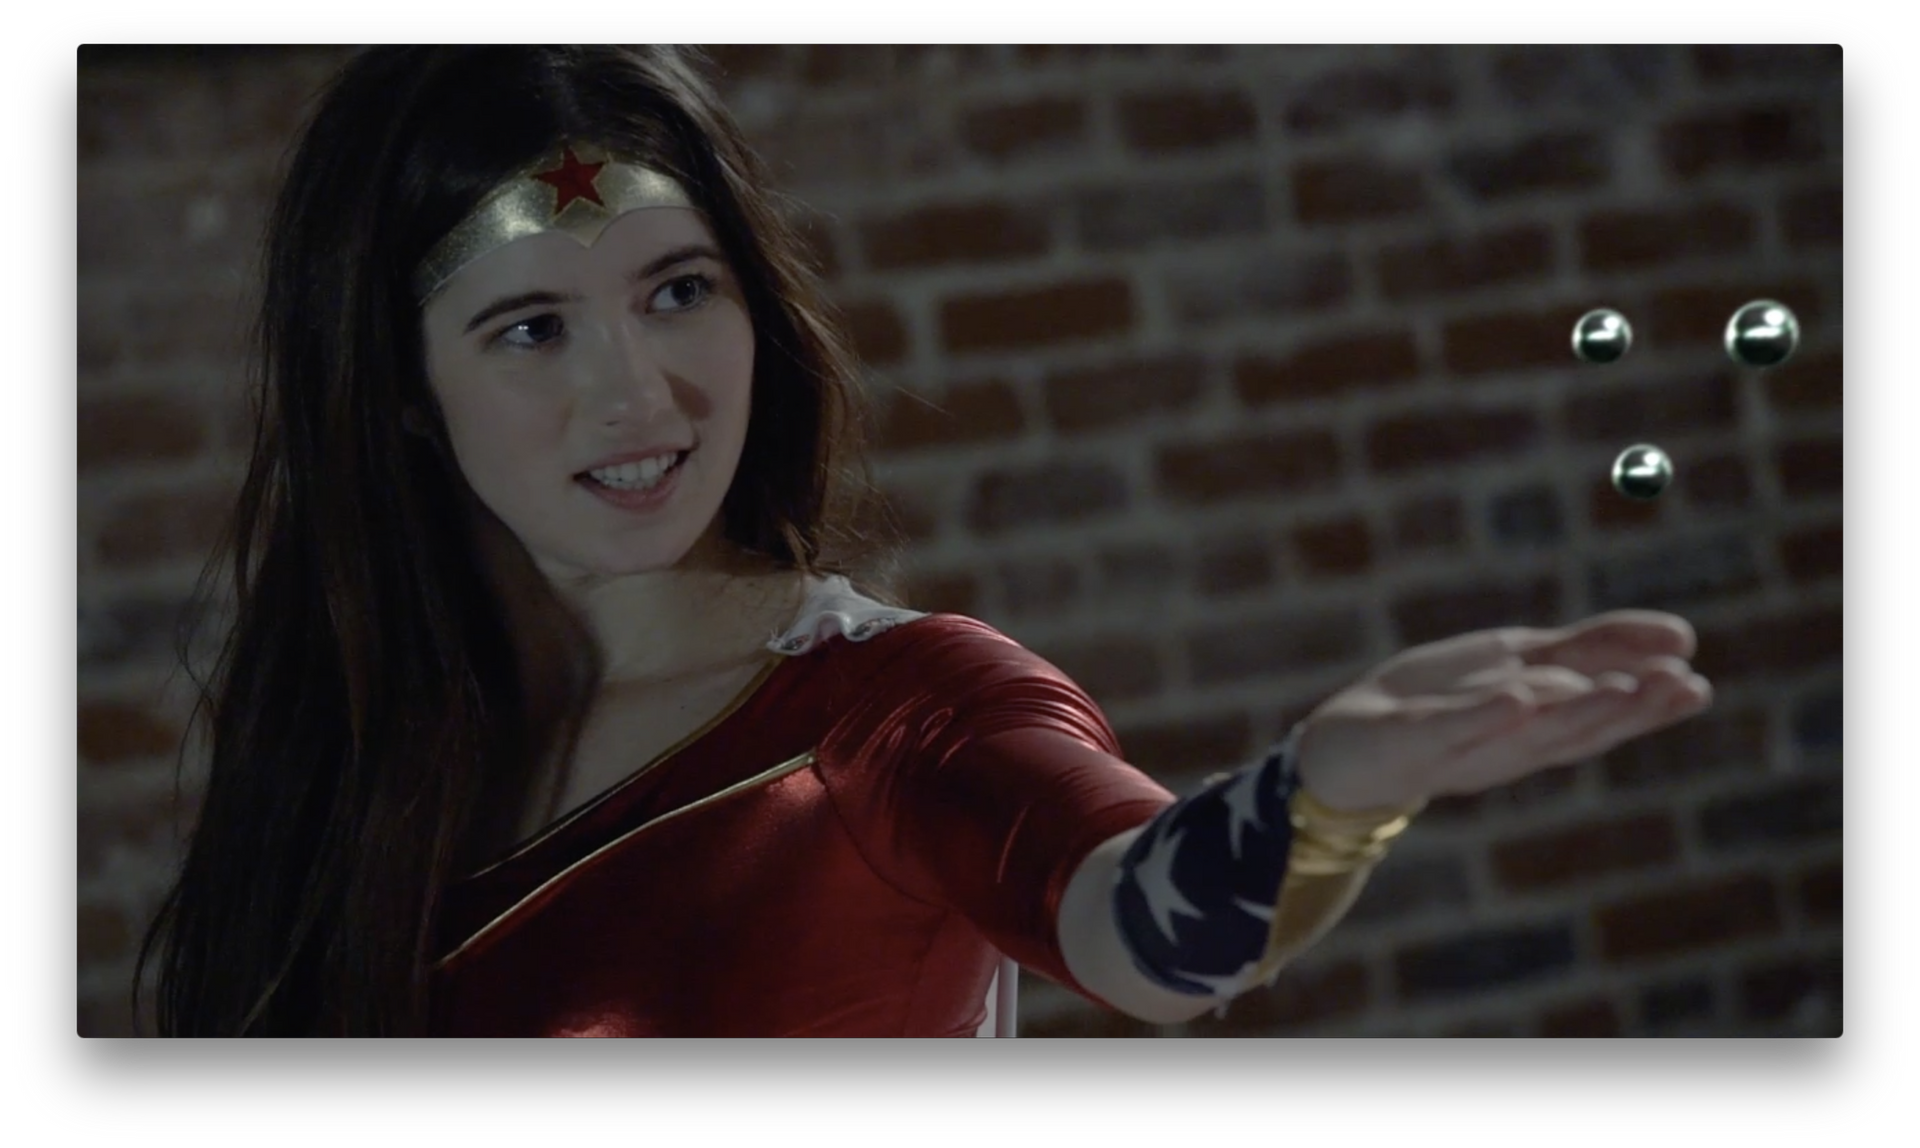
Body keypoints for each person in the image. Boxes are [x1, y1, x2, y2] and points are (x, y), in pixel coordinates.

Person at [134, 44, 1713, 1037]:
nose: (642, 394)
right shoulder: (355, 756)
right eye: (533, 326)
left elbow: (1138, 919)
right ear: (399, 394)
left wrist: (1326, 800)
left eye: (680, 291)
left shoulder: (893, 716)